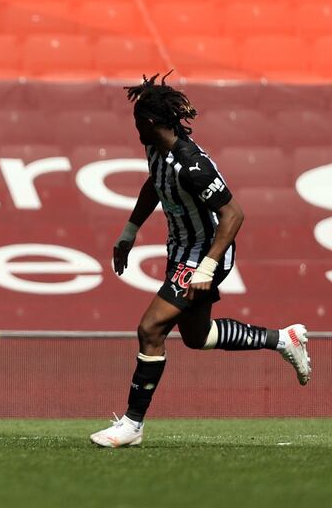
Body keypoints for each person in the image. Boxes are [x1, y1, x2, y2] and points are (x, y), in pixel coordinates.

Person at [90, 72, 310, 448]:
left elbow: (234, 215)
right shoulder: (155, 149)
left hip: (203, 254)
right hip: (179, 250)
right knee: (197, 337)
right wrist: (130, 231)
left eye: (139, 119)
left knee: (151, 329)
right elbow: (154, 185)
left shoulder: (192, 165)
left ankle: (132, 424)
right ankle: (282, 339)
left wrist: (207, 267)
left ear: (152, 122)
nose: (135, 126)